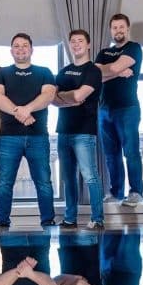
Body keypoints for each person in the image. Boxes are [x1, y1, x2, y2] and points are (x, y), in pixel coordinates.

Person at [0, 33, 56, 228]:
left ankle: (48, 220)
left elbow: (48, 96)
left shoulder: (44, 72)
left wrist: (27, 109)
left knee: (44, 182)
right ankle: (2, 221)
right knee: (4, 182)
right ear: (11, 51)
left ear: (31, 49)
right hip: (9, 137)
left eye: (25, 45)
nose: (21, 49)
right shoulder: (1, 72)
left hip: (38, 137)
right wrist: (19, 112)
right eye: (17, 46)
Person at [54, 29, 104, 230]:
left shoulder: (93, 71)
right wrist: (70, 98)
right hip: (63, 131)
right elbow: (52, 99)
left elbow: (79, 96)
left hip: (84, 131)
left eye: (80, 41)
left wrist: (65, 97)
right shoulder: (63, 71)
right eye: (73, 41)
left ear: (88, 44)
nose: (76, 44)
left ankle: (97, 219)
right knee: (68, 178)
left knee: (90, 176)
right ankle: (70, 218)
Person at [95, 13, 143, 207]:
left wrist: (112, 70)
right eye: (115, 27)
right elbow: (95, 75)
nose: (118, 30)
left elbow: (111, 69)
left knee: (130, 152)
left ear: (127, 28)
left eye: (121, 27)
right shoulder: (103, 52)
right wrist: (117, 72)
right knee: (111, 154)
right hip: (104, 109)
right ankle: (116, 193)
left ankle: (136, 192)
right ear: (110, 30)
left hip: (127, 108)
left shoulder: (134, 48)